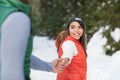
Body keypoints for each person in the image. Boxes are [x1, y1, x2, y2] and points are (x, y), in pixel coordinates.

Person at [0, 0, 63, 80]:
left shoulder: (3, 10)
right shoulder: (16, 17)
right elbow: (11, 75)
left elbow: (13, 54)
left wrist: (49, 66)